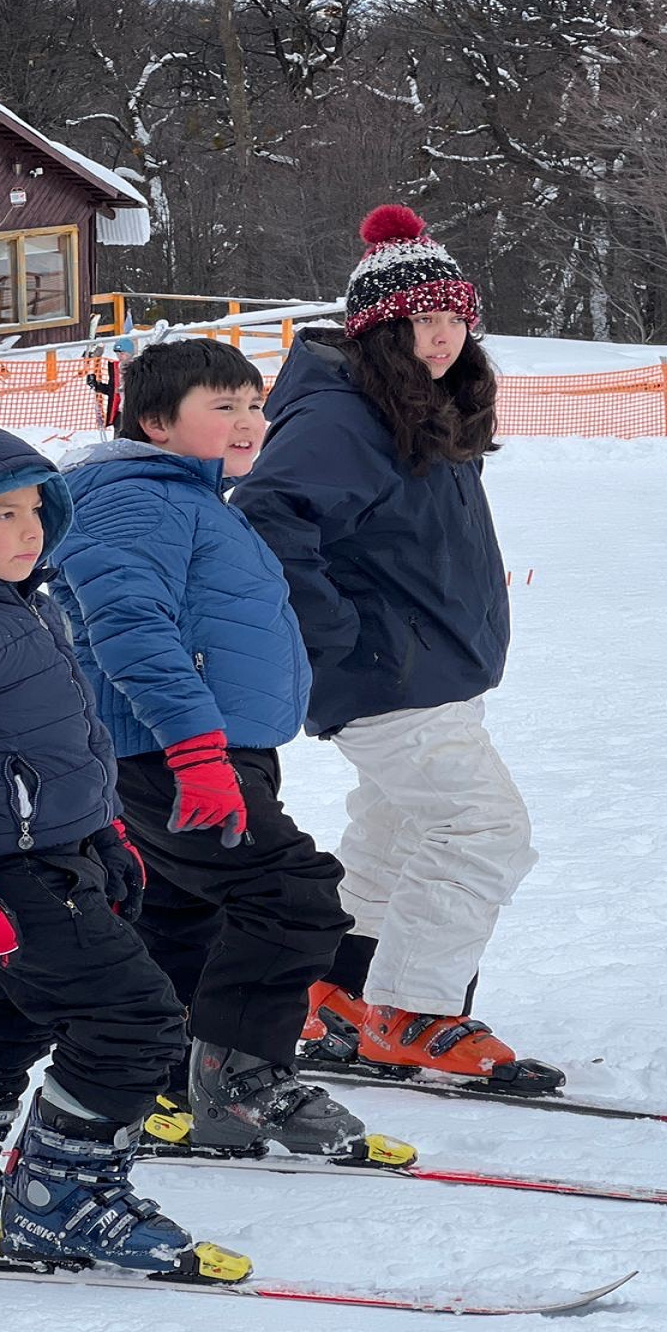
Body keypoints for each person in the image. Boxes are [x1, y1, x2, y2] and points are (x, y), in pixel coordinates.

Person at [0, 416, 248, 1282]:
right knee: (134, 1021)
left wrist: (106, 835)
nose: (29, 529)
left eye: (36, 507)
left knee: (5, 1011)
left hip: (61, 855)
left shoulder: (18, 606)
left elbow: (68, 744)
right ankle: (61, 1198)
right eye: (0, 514)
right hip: (2, 873)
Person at [48, 339, 412, 1164]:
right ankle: (241, 1085)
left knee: (190, 914)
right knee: (294, 898)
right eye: (224, 407)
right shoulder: (137, 503)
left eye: (254, 404)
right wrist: (194, 751)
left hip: (204, 747)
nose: (249, 421)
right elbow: (130, 631)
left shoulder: (195, 498)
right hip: (172, 752)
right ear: (155, 422)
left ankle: (168, 1073)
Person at [232, 204, 560, 1089]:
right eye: (425, 319)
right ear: (381, 328)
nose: (445, 336)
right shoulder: (344, 416)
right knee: (481, 828)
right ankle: (412, 1010)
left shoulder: (416, 404)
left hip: (425, 670)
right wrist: (344, 641)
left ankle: (337, 992)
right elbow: (268, 519)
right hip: (388, 678)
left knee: (401, 832)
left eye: (456, 318)